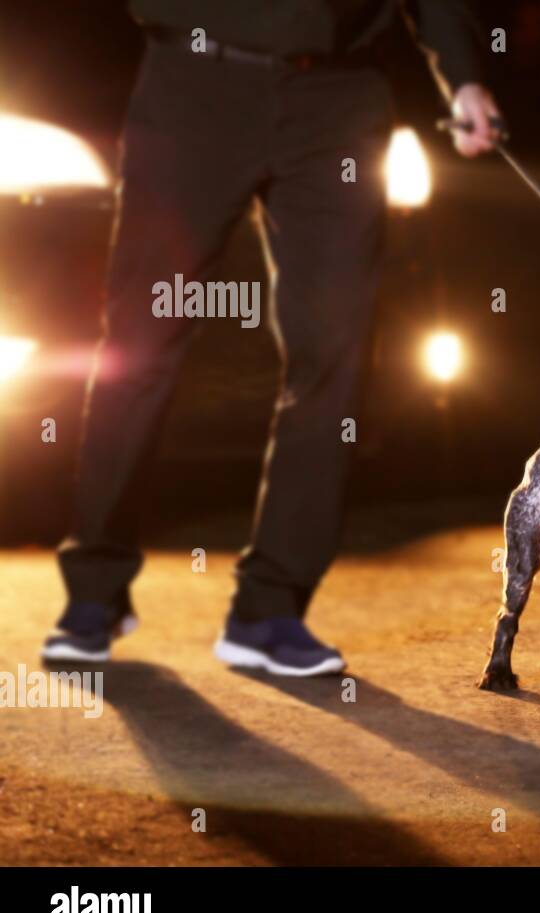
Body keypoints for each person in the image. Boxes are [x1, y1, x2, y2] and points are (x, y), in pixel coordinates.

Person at [42, 1, 502, 676]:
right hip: (194, 81)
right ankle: (95, 589)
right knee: (140, 341)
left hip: (339, 100)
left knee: (333, 353)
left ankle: (270, 607)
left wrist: (463, 75)